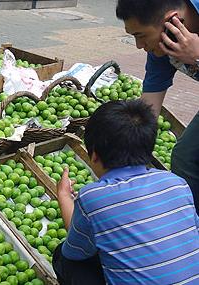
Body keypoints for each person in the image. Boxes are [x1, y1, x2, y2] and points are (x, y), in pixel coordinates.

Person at [52, 100, 199, 285]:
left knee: (63, 259)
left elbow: (73, 251)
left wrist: (64, 196)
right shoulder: (177, 183)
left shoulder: (93, 197)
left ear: (94, 154)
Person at [116, 0, 199, 213]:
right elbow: (149, 104)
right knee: (185, 157)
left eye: (140, 35)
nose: (138, 46)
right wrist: (129, 157)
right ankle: (187, 224)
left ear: (171, 20)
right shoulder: (164, 43)